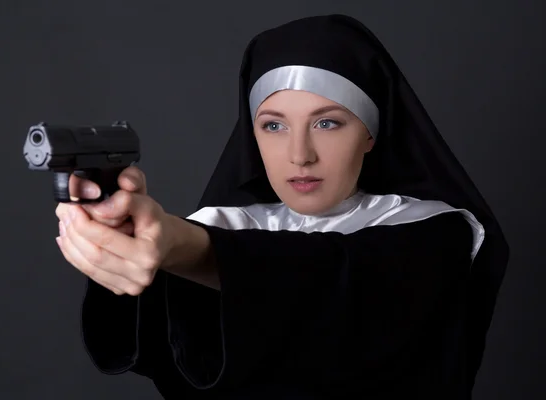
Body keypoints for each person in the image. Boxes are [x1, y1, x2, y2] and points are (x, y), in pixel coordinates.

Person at [54, 14, 509, 399]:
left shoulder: (438, 232)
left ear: (370, 133)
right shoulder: (223, 224)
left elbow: (335, 275)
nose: (299, 154)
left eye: (327, 123)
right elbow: (174, 355)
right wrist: (123, 229)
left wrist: (182, 248)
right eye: (273, 126)